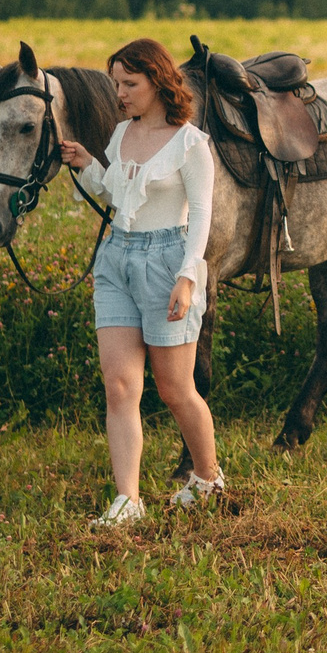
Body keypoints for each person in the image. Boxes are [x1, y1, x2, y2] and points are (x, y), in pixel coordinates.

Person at [61, 37, 225, 527]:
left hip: (166, 259)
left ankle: (208, 478)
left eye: (129, 83)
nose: (120, 93)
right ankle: (128, 501)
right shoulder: (120, 135)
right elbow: (117, 193)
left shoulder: (191, 143)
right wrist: (88, 164)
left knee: (175, 389)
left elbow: (201, 216)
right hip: (116, 258)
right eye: (116, 83)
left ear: (157, 81)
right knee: (119, 385)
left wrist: (187, 278)